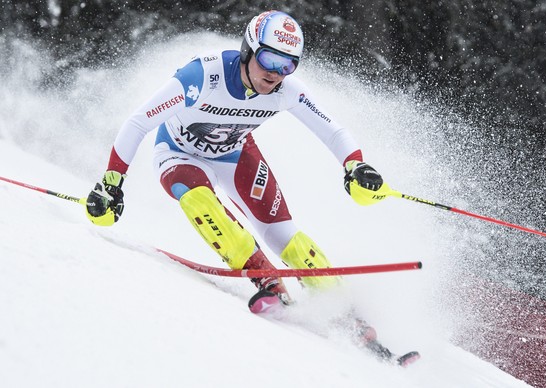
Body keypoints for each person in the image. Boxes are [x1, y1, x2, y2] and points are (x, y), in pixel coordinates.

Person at [85, 10, 417, 366]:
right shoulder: (202, 76)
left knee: (282, 233)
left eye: (288, 65)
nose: (275, 73)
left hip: (235, 154)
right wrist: (112, 182)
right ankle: (267, 280)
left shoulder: (286, 91)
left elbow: (333, 131)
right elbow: (138, 122)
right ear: (248, 49)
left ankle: (343, 310)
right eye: (269, 59)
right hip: (178, 154)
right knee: (199, 200)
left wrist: (355, 164)